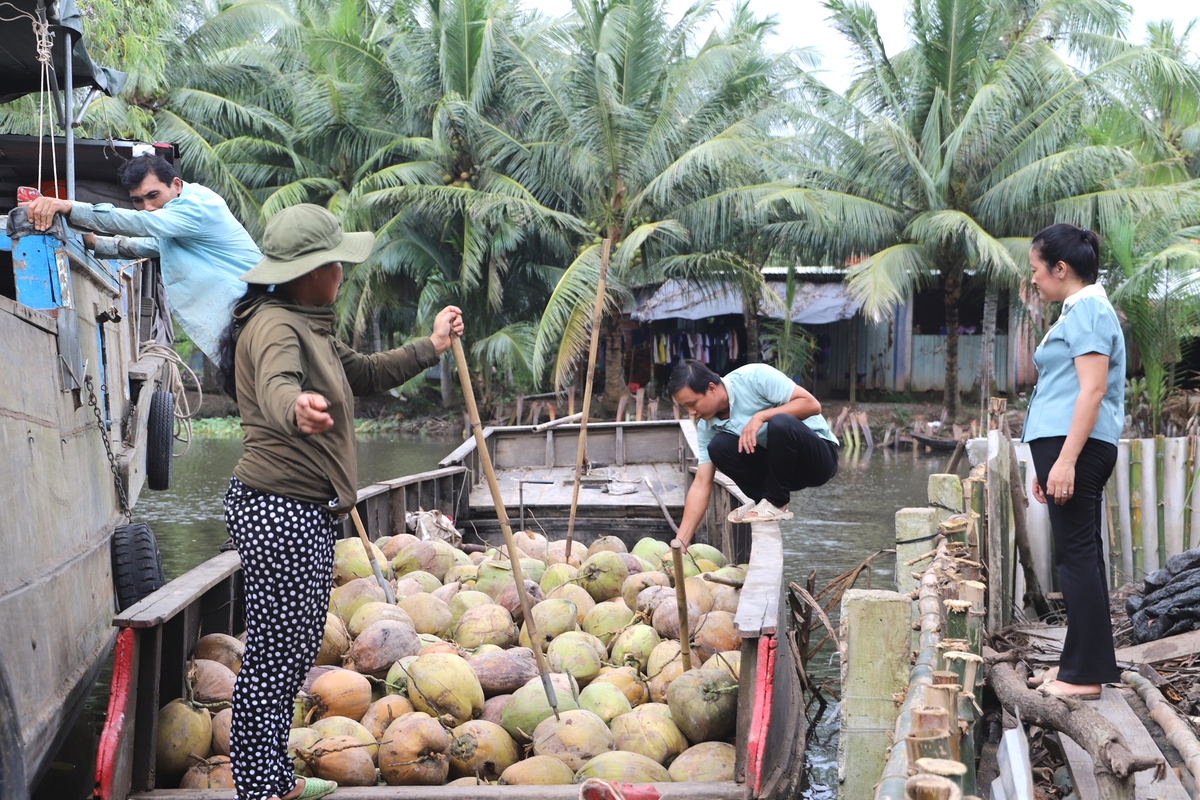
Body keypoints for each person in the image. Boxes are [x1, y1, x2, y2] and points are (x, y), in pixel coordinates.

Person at [218, 203, 463, 800]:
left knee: (293, 644)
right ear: (309, 270)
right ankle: (259, 785)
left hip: (297, 510)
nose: (343, 275)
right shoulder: (277, 326)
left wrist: (430, 346)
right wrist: (294, 409)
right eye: (336, 265)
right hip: (277, 508)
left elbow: (367, 372)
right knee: (276, 655)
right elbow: (278, 386)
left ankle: (269, 776)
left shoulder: (309, 324)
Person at [1021, 223, 1125, 700]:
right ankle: (1079, 665)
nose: (1034, 280)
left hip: (1075, 447)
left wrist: (1064, 461)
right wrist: (1054, 464)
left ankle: (1083, 677)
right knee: (1081, 555)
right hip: (1069, 448)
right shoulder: (1081, 310)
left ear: (1060, 268)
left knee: (1076, 557)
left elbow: (1093, 388)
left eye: (1037, 269)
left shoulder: (1086, 309)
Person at [22, 155, 260, 361]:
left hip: (255, 313)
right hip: (240, 317)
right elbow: (151, 244)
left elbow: (144, 223)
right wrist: (96, 243)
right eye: (137, 200)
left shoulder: (196, 206)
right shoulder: (176, 215)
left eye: (153, 195)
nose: (147, 207)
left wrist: (70, 207)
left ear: (176, 184)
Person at [668, 359, 839, 544]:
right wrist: (680, 543)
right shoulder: (707, 427)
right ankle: (762, 501)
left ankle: (776, 502)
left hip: (818, 460)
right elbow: (701, 483)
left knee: (780, 422)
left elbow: (812, 405)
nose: (691, 412)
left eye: (692, 404)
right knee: (718, 447)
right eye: (685, 407)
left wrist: (761, 417)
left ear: (711, 388)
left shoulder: (755, 377)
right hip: (782, 473)